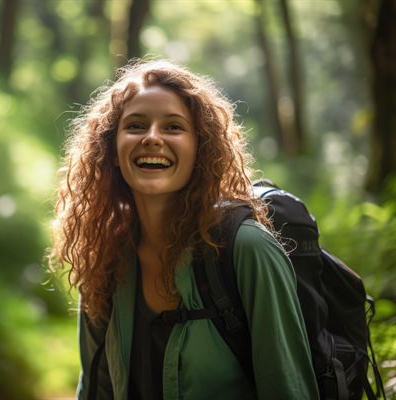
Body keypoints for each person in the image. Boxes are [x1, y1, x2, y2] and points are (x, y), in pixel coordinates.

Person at [49, 59, 319, 400]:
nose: (152, 138)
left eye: (173, 127)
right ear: (113, 151)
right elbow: (95, 388)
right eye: (135, 125)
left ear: (200, 150)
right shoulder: (107, 256)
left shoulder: (247, 249)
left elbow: (289, 389)